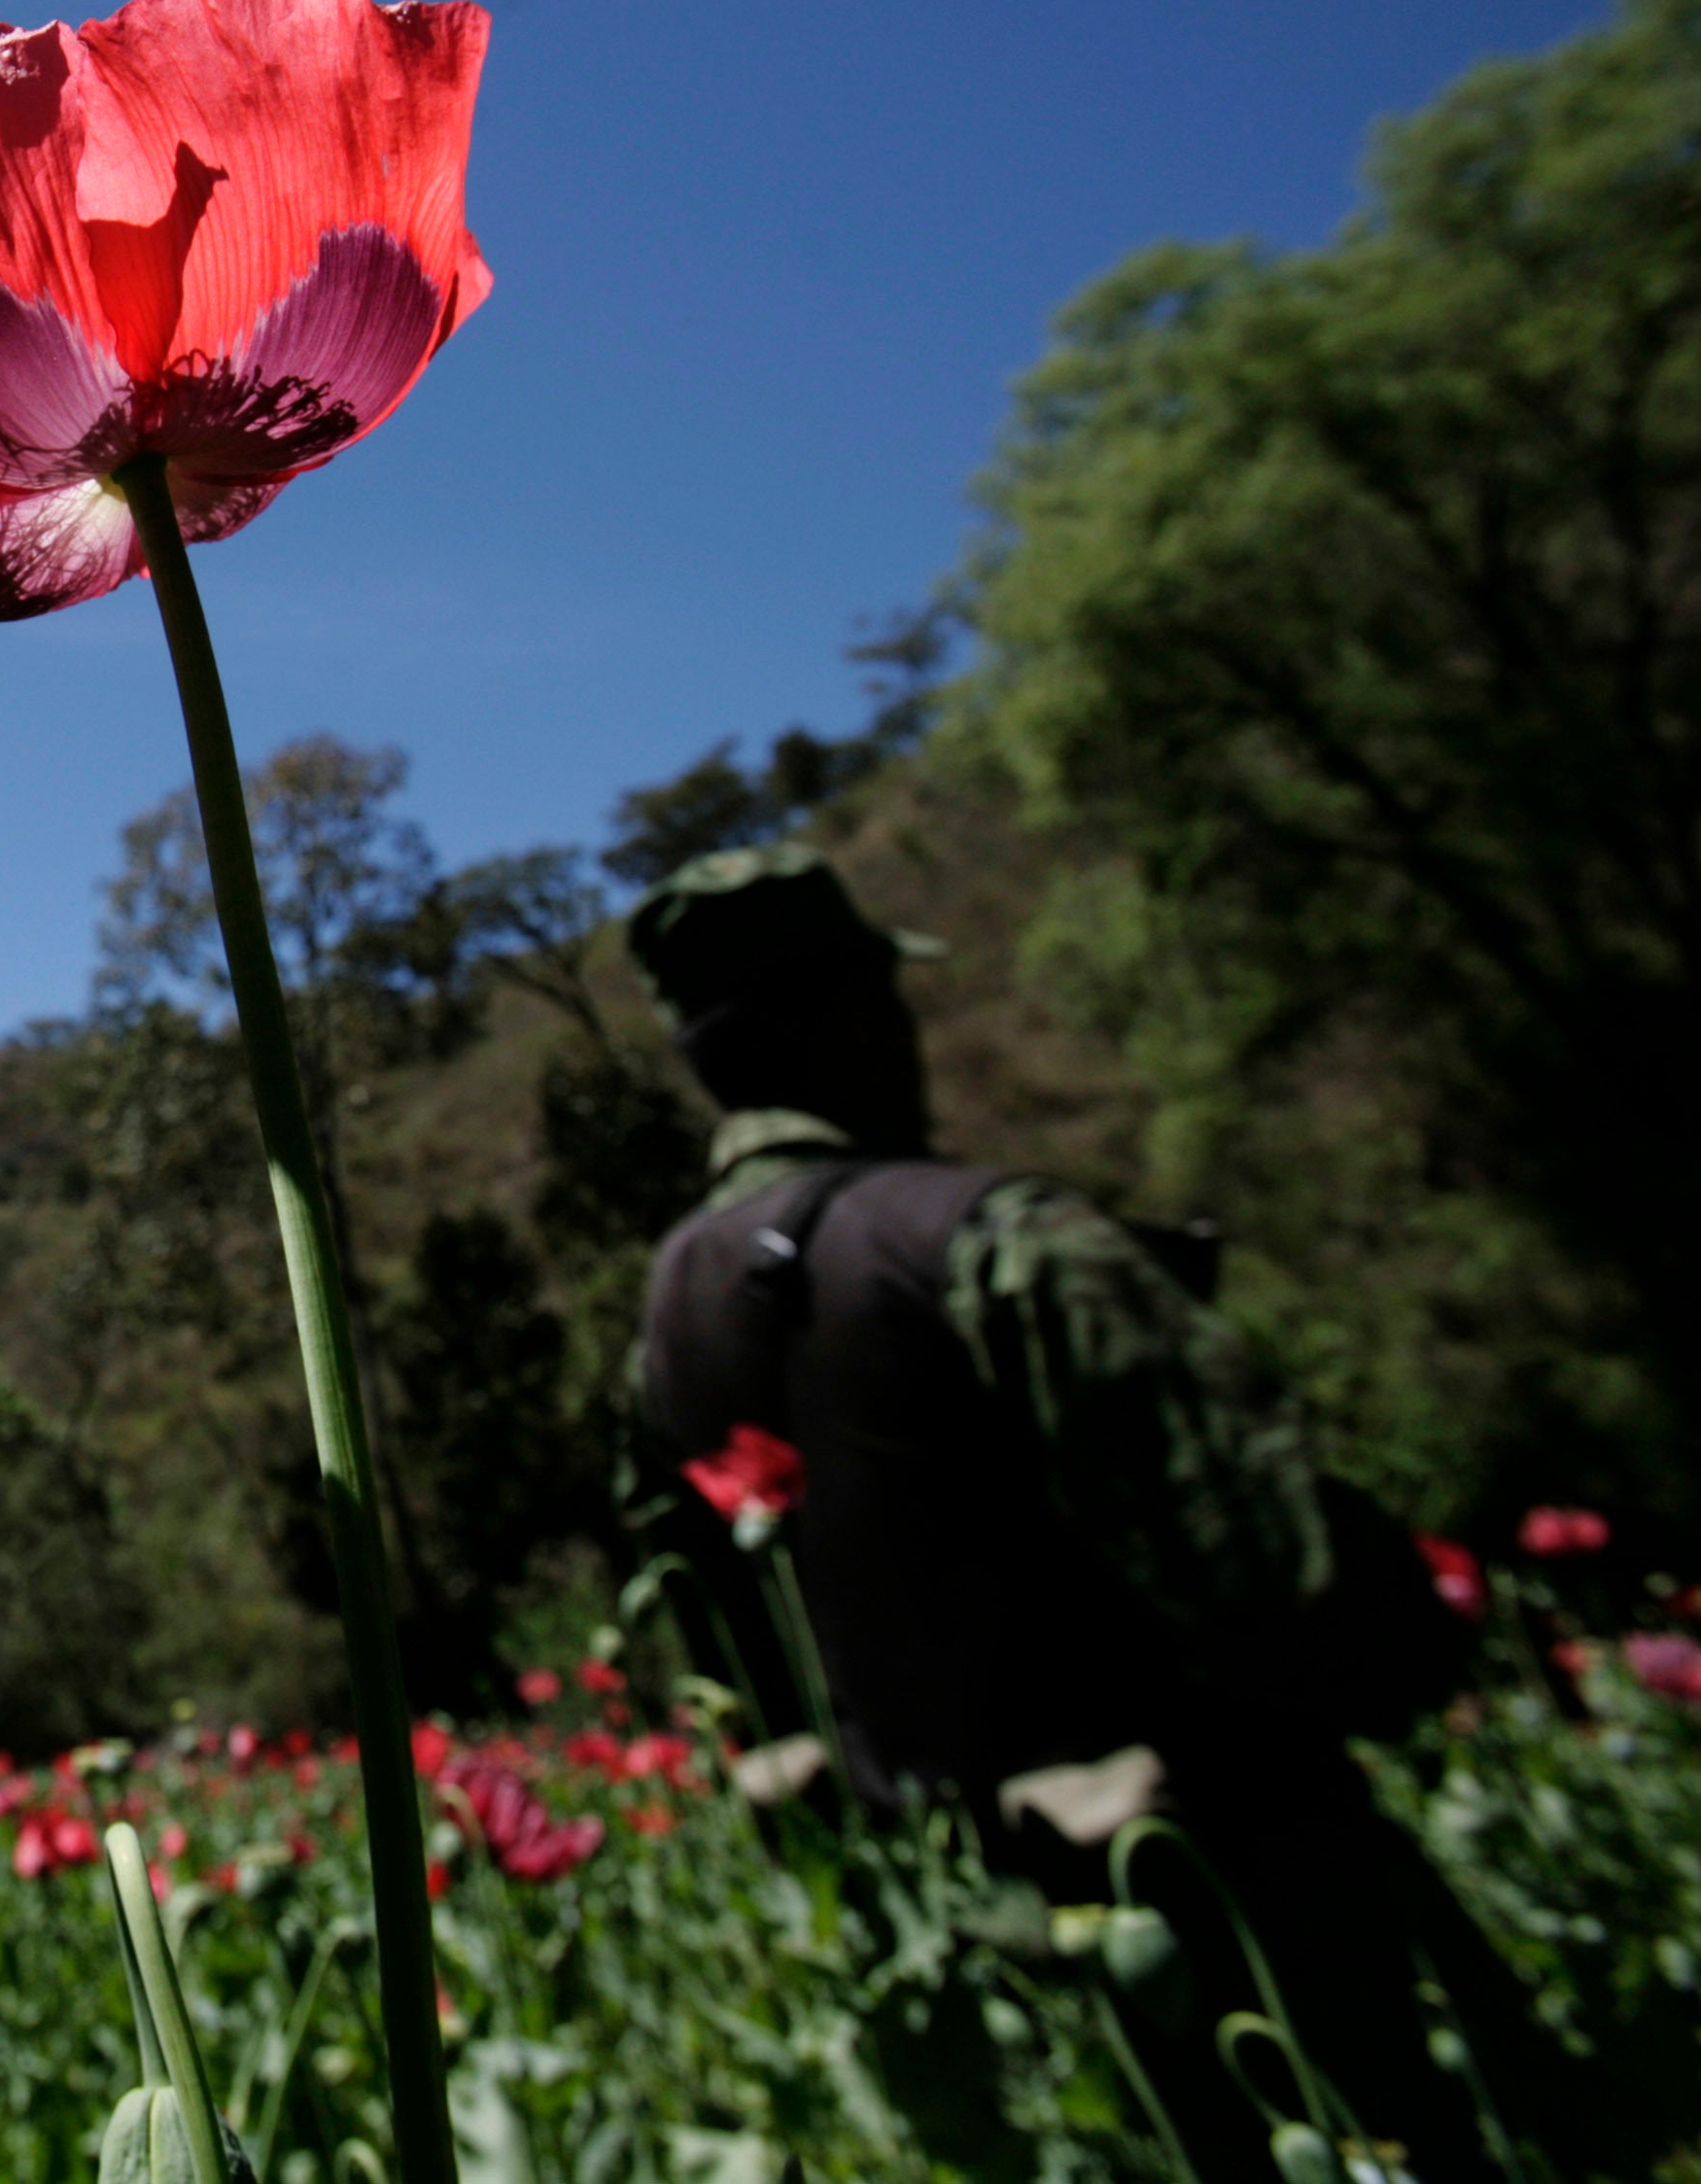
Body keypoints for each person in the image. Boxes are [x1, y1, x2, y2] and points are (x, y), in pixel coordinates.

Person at [620, 842, 1628, 2182]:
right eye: (892, 1003)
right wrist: (1451, 1652)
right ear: (848, 1018)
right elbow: (1275, 1556)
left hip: (967, 1975)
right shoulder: (989, 1235)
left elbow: (706, 1645)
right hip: (1225, 1907)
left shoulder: (665, 1319)